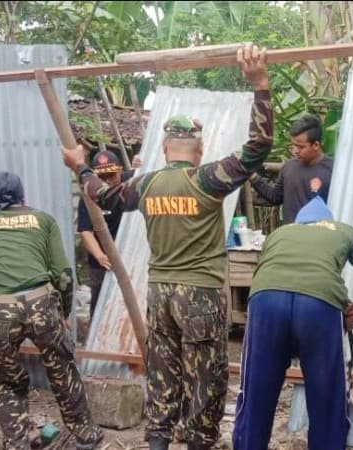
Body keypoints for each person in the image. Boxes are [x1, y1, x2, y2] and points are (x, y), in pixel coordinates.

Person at [62, 43, 272, 450]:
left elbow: (101, 196)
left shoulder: (146, 184)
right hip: (200, 294)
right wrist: (259, 84)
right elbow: (258, 146)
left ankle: (158, 441)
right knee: (205, 381)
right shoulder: (207, 179)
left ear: (163, 149)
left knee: (163, 376)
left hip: (159, 294)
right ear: (199, 150)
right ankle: (196, 442)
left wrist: (80, 166)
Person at [0, 171, 105, 450]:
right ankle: (86, 437)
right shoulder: (43, 220)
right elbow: (63, 275)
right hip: (42, 304)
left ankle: (17, 444)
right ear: (22, 195)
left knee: (5, 383)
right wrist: (63, 312)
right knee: (63, 371)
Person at [232, 196, 353, 450]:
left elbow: (270, 271)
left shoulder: (279, 233)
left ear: (300, 222)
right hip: (319, 307)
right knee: (327, 400)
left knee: (256, 396)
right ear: (328, 221)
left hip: (266, 302)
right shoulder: (344, 231)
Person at [77, 150, 134, 317]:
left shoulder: (131, 181)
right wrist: (101, 257)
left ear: (120, 170)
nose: (108, 180)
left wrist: (140, 162)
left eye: (112, 175)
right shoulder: (90, 194)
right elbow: (85, 231)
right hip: (102, 264)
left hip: (130, 257)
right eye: (102, 177)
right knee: (100, 306)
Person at [250, 114, 334, 224]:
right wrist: (254, 178)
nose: (295, 151)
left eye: (301, 147)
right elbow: (275, 197)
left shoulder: (333, 171)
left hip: (320, 233)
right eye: (293, 145)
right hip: (290, 233)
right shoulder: (289, 167)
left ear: (316, 145)